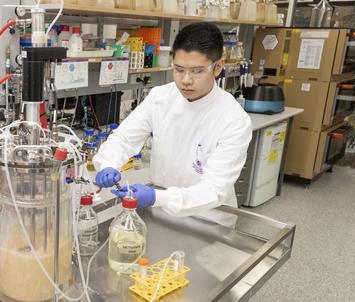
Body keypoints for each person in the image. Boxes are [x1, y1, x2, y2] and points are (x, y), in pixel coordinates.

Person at [93, 22, 252, 223]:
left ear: (218, 67)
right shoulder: (160, 97)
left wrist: (156, 197)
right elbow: (124, 138)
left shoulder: (234, 119)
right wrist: (108, 163)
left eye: (197, 71)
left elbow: (214, 189)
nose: (186, 80)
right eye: (178, 69)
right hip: (159, 210)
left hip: (208, 217)